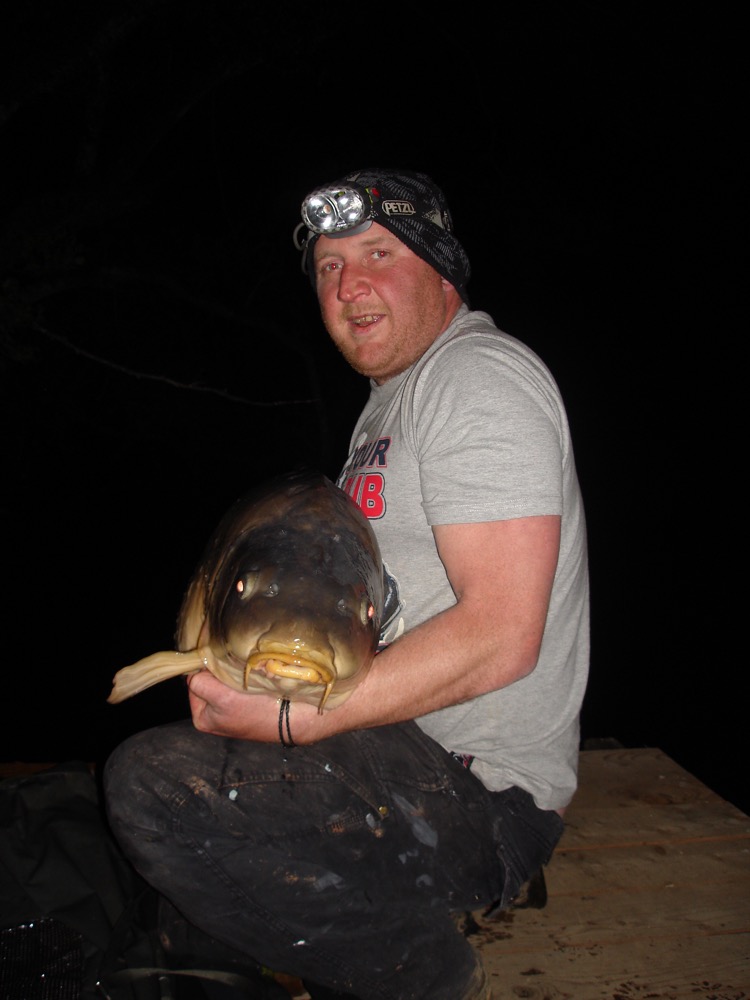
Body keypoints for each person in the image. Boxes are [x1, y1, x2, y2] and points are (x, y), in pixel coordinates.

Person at [104, 168, 590, 1000]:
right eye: (328, 267)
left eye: (377, 254)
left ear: (443, 274)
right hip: (400, 752)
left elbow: (505, 633)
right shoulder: (389, 407)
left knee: (156, 788)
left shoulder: (477, 380)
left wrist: (290, 720)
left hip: (482, 794)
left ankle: (425, 975)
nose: (349, 284)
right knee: (196, 803)